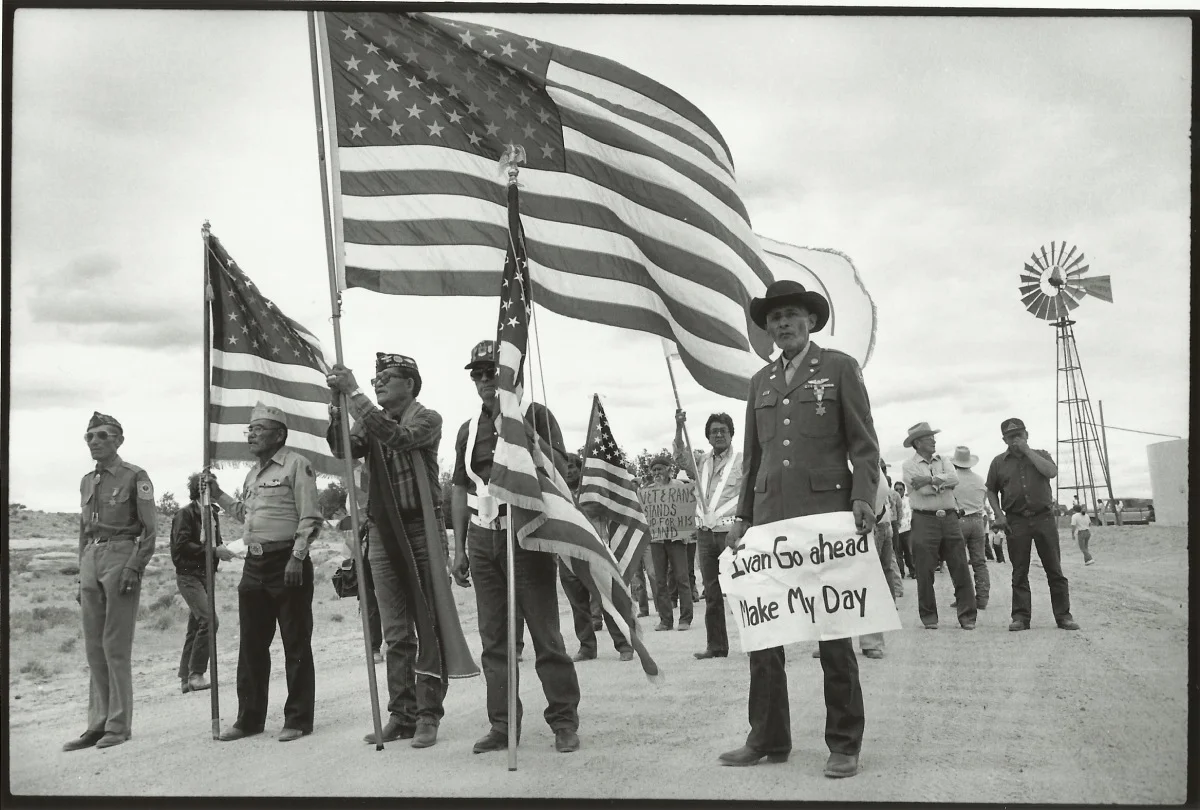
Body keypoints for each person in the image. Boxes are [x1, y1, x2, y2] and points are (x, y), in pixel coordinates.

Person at [719, 279, 879, 778]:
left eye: (791, 315)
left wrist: (862, 497)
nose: (783, 323)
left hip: (825, 521)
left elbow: (864, 444)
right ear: (767, 328)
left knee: (833, 633)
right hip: (769, 524)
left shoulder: (838, 368)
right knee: (764, 634)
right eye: (775, 318)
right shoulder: (760, 382)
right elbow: (754, 457)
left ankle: (844, 743)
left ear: (810, 320)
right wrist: (743, 516)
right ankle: (768, 738)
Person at [328, 353, 474, 748]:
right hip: (382, 531)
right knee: (395, 631)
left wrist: (354, 394)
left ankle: (428, 714)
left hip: (421, 528)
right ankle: (402, 714)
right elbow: (344, 449)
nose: (378, 383)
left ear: (409, 384)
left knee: (429, 623)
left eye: (387, 377)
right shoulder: (369, 419)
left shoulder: (428, 419)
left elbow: (398, 438)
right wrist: (336, 409)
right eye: (375, 379)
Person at [450, 340, 582, 754]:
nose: (484, 380)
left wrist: (526, 434)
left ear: (510, 374)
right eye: (477, 374)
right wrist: (459, 548)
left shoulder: (535, 415)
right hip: (482, 535)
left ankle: (564, 720)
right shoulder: (468, 429)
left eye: (492, 372)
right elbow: (460, 488)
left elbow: (561, 469)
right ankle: (503, 724)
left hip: (525, 533)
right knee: (494, 640)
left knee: (545, 633)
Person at [209, 402, 322, 743]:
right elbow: (246, 514)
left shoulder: (297, 465)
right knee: (251, 646)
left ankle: (298, 719)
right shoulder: (252, 474)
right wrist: (217, 494)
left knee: (295, 643)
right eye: (250, 429)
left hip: (287, 562)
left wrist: (297, 557)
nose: (251, 435)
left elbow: (310, 516)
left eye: (259, 429)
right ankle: (249, 719)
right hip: (254, 565)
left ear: (279, 435)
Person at [64, 412, 157, 752]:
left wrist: (135, 566)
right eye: (90, 436)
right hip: (92, 557)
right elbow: (83, 530)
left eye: (103, 435)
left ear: (119, 440)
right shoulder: (87, 480)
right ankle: (97, 723)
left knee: (115, 646)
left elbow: (150, 530)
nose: (95, 441)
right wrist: (81, 574)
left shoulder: (135, 476)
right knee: (94, 648)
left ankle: (118, 725)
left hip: (121, 556)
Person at [985, 417, 1080, 631]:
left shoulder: (1041, 455)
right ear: (1004, 440)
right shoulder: (998, 462)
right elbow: (991, 490)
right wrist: (999, 515)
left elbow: (1051, 472)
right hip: (1016, 521)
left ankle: (1063, 616)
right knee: (1019, 571)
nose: (1016, 439)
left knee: (1054, 569)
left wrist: (1027, 451)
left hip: (1043, 518)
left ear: (1027, 435)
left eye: (1019, 435)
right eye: (1011, 437)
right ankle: (1020, 617)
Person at [673, 410, 743, 660]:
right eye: (714, 431)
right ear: (708, 436)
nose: (719, 435)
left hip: (732, 534)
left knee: (742, 589)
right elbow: (679, 456)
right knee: (711, 592)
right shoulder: (700, 462)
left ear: (731, 434)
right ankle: (716, 646)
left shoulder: (742, 461)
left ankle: (756, 644)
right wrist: (679, 427)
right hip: (705, 534)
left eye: (723, 430)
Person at [901, 423, 977, 631]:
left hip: (950, 517)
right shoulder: (908, 465)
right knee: (924, 570)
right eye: (929, 438)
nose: (933, 441)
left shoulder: (944, 460)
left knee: (960, 566)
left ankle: (967, 616)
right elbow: (923, 490)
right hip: (924, 519)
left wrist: (930, 479)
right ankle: (929, 616)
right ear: (917, 443)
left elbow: (955, 479)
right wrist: (942, 483)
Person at [560, 452, 635, 662]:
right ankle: (587, 647)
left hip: (596, 553)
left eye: (572, 467)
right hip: (568, 554)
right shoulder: (557, 492)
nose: (568, 471)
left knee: (607, 600)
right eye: (564, 467)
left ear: (580, 469)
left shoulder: (595, 490)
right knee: (578, 605)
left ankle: (624, 645)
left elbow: (597, 510)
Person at [171, 472, 234, 695]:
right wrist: (214, 551)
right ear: (201, 490)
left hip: (207, 573)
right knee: (209, 621)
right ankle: (196, 674)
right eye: (211, 486)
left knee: (196, 625)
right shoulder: (185, 514)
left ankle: (185, 677)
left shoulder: (213, 514)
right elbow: (181, 545)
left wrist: (225, 550)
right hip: (189, 574)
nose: (214, 490)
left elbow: (216, 541)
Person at [328, 500, 383, 665]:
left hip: (383, 561)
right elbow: (349, 549)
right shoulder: (353, 523)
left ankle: (394, 644)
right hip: (366, 568)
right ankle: (375, 648)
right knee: (371, 608)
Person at [644, 454, 694, 632]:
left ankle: (685, 618)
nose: (656, 473)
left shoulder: (679, 487)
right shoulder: (648, 491)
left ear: (668, 470)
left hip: (677, 539)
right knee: (660, 581)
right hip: (657, 540)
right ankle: (665, 620)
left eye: (659, 469)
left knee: (682, 578)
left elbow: (688, 510)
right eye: (653, 470)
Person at [951, 446, 991, 610]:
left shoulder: (952, 479)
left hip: (959, 520)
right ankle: (982, 597)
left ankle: (963, 597)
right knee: (979, 561)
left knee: (958, 562)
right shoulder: (980, 480)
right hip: (978, 520)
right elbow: (984, 499)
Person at [893, 481, 916, 577]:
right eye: (896, 489)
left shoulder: (909, 500)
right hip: (896, 530)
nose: (898, 491)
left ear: (904, 490)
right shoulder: (891, 500)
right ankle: (901, 573)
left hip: (907, 529)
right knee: (898, 554)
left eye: (900, 489)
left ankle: (913, 572)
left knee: (909, 553)